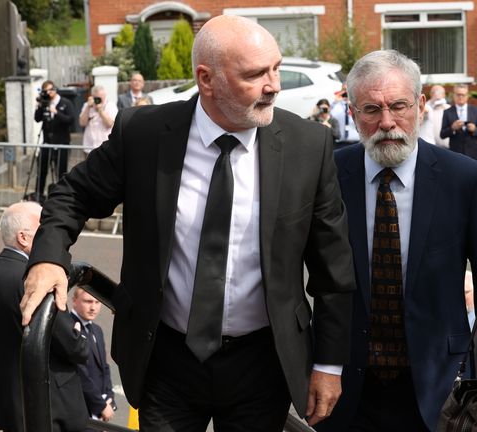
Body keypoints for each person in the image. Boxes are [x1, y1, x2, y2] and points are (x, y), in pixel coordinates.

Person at [19, 15, 355, 431]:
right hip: (165, 358)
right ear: (206, 79)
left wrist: (328, 364)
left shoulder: (309, 145)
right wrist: (48, 258)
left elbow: (334, 271)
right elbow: (72, 194)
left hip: (263, 363)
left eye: (276, 68)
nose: (274, 85)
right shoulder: (143, 133)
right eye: (255, 75)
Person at [315, 50, 477, 432]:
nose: (387, 122)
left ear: (422, 104)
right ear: (351, 111)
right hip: (345, 387)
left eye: (399, 106)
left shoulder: (465, 180)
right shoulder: (327, 175)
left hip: (441, 385)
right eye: (370, 110)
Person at [0, 201, 90, 432]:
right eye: (43, 231)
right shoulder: (37, 280)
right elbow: (73, 346)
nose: (49, 239)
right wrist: (79, 334)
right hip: (49, 405)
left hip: (7, 400)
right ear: (24, 238)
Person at [70, 288, 117, 425]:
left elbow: (105, 368)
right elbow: (79, 372)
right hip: (80, 408)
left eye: (97, 302)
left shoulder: (97, 330)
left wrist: (109, 398)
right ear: (74, 301)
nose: (93, 307)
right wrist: (101, 406)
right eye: (88, 301)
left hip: (99, 409)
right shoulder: (69, 326)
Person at [34, 80, 74, 202]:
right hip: (47, 143)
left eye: (50, 90)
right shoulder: (44, 103)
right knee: (41, 170)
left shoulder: (65, 103)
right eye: (45, 91)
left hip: (62, 143)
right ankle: (38, 195)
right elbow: (37, 119)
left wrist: (56, 112)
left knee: (61, 172)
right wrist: (40, 106)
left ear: (55, 89)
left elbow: (70, 120)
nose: (48, 93)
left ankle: (61, 197)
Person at [440, 84, 477, 160]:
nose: (461, 97)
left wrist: (474, 129)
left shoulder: (476, 111)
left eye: (463, 95)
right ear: (454, 96)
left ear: (467, 96)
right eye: (458, 95)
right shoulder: (447, 112)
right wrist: (452, 128)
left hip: (473, 155)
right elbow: (442, 134)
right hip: (455, 155)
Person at [79, 85, 118, 155]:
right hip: (89, 146)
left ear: (105, 95)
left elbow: (110, 124)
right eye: (97, 97)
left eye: (102, 97)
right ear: (92, 96)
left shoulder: (110, 105)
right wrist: (88, 107)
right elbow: (82, 123)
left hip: (105, 147)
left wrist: (100, 110)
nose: (99, 100)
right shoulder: (87, 105)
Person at [331, 83, 360, 148]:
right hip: (341, 143)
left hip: (358, 142)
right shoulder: (337, 105)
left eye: (348, 89)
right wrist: (336, 101)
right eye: (344, 90)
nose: (346, 92)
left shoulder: (357, 103)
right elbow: (330, 115)